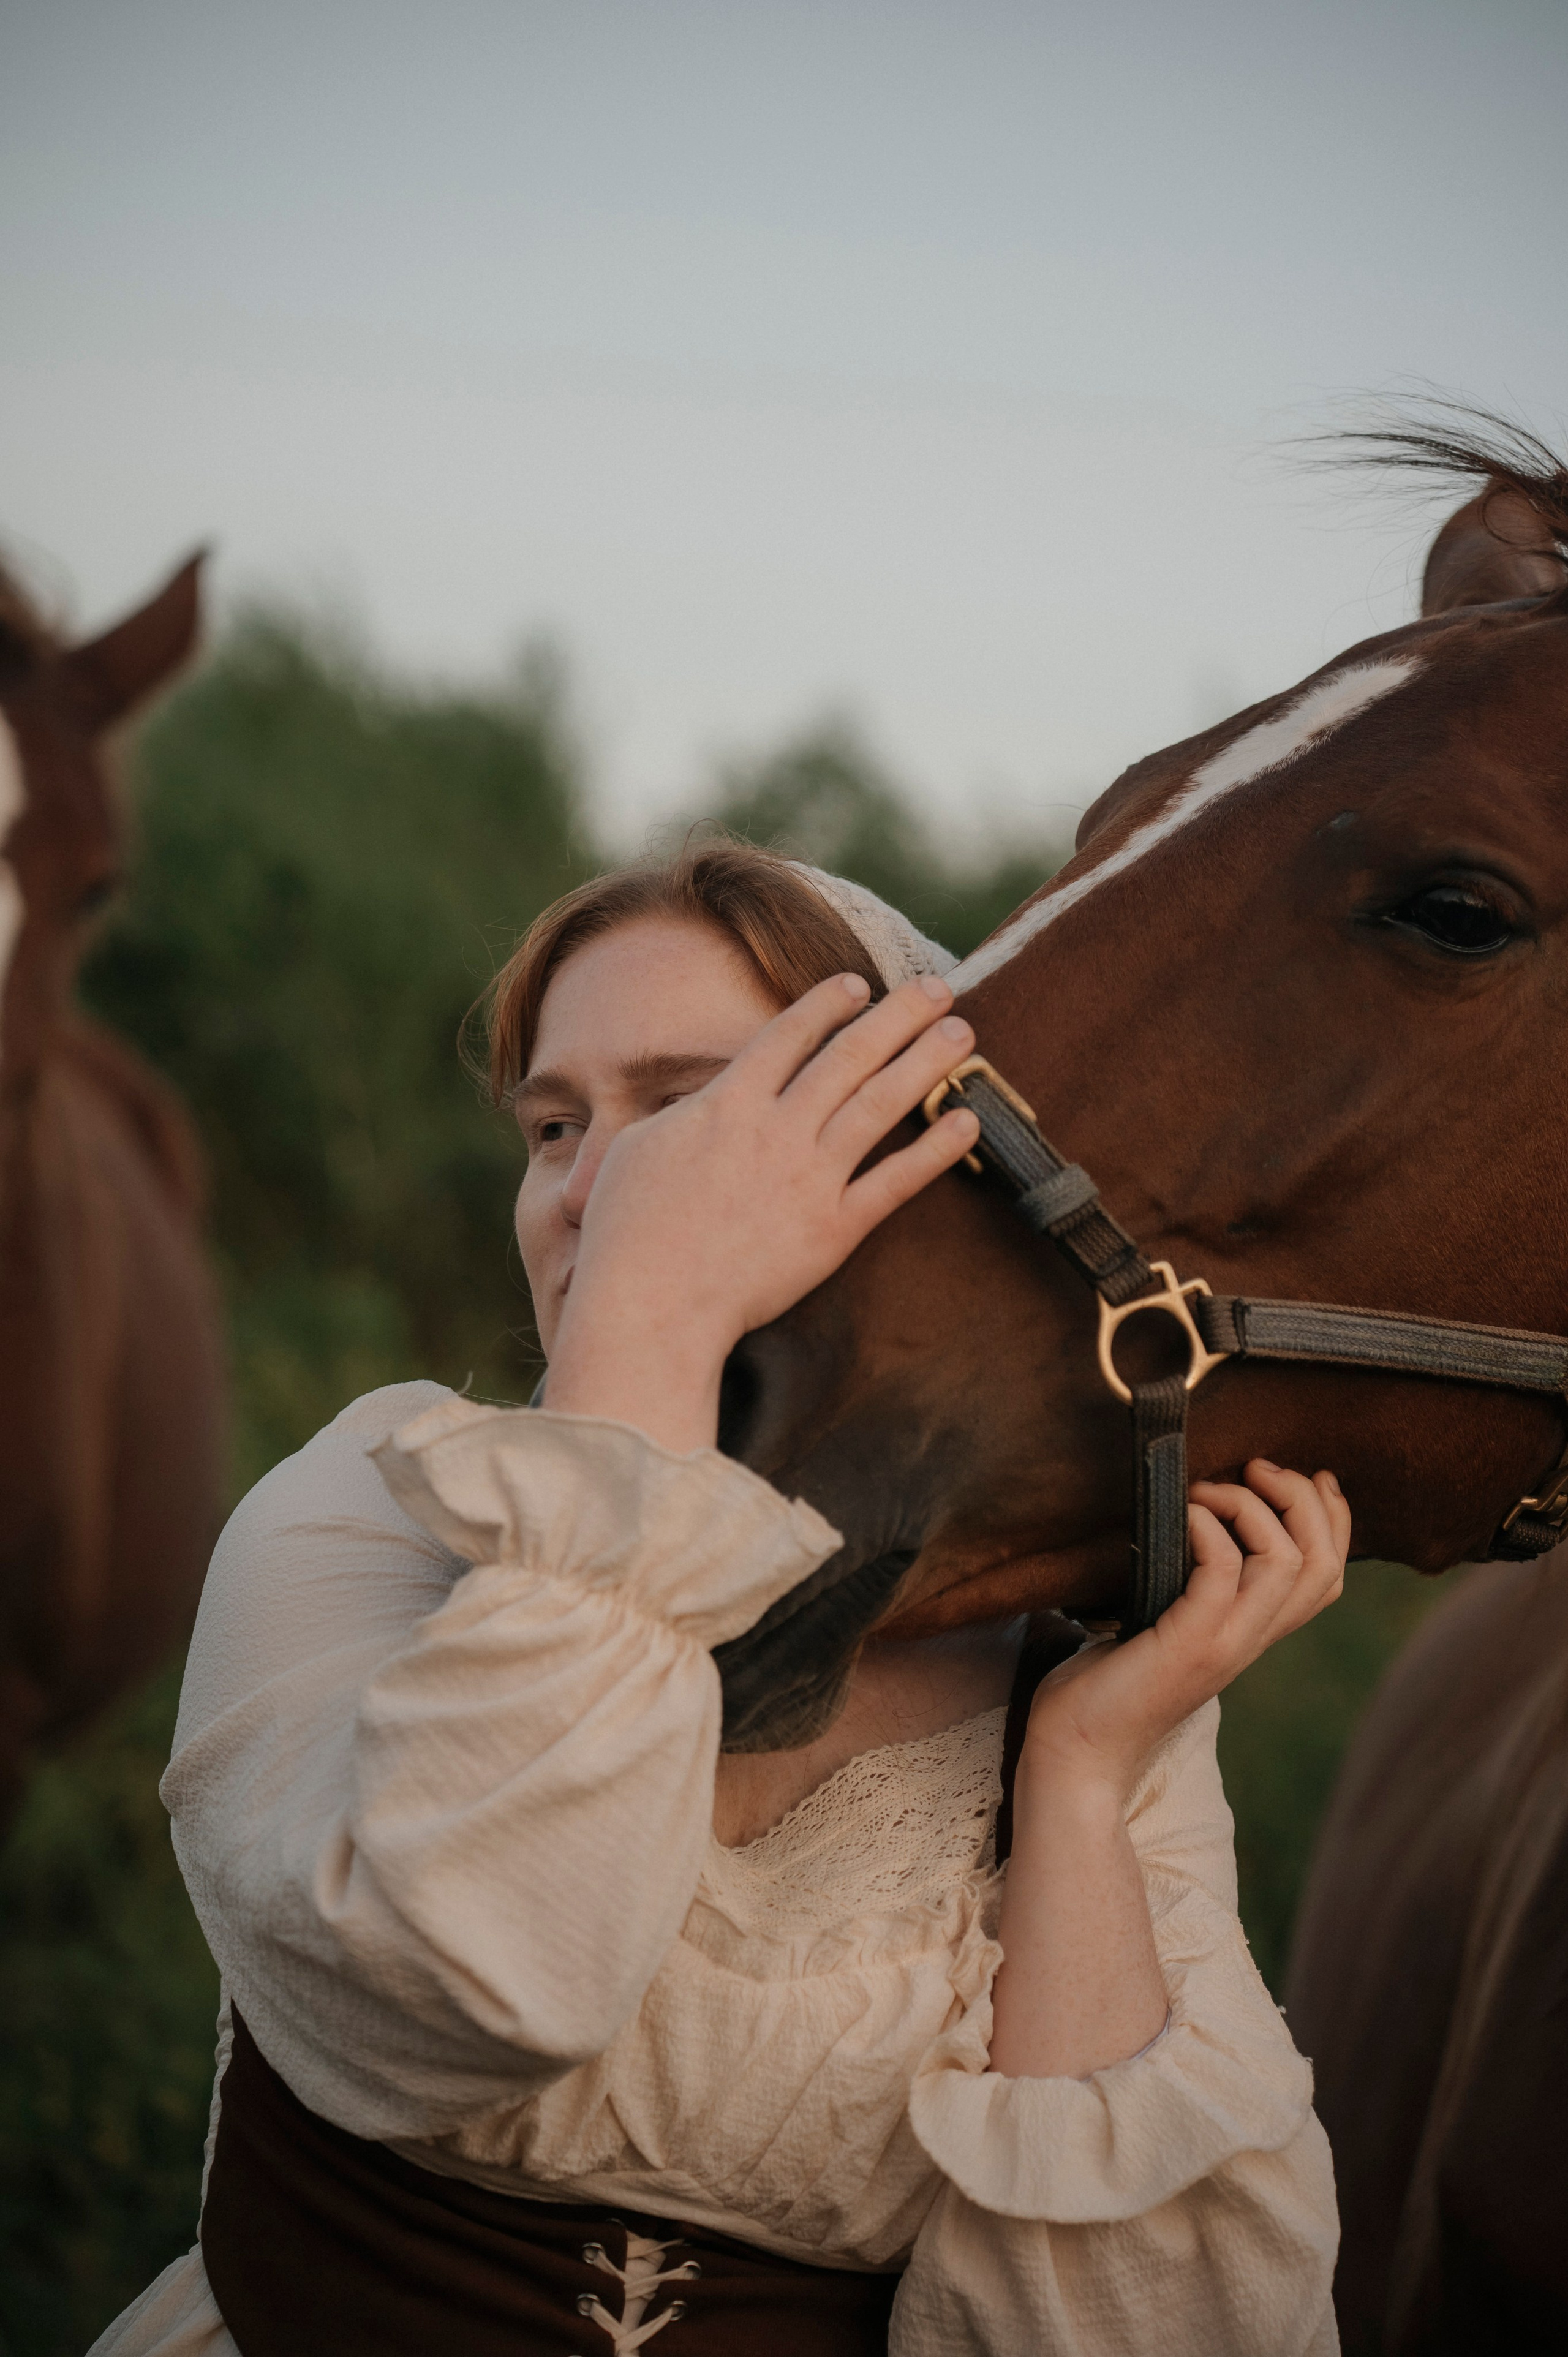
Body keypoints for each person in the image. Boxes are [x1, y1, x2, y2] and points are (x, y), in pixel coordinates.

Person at [93, 839, 1347, 2357]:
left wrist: (1079, 1776)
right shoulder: (371, 1496)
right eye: (555, 1126)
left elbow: (1144, 2331)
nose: (594, 1186)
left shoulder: (1058, 1667)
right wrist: (654, 1321)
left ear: (914, 1151)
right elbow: (472, 1979)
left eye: (688, 1108)